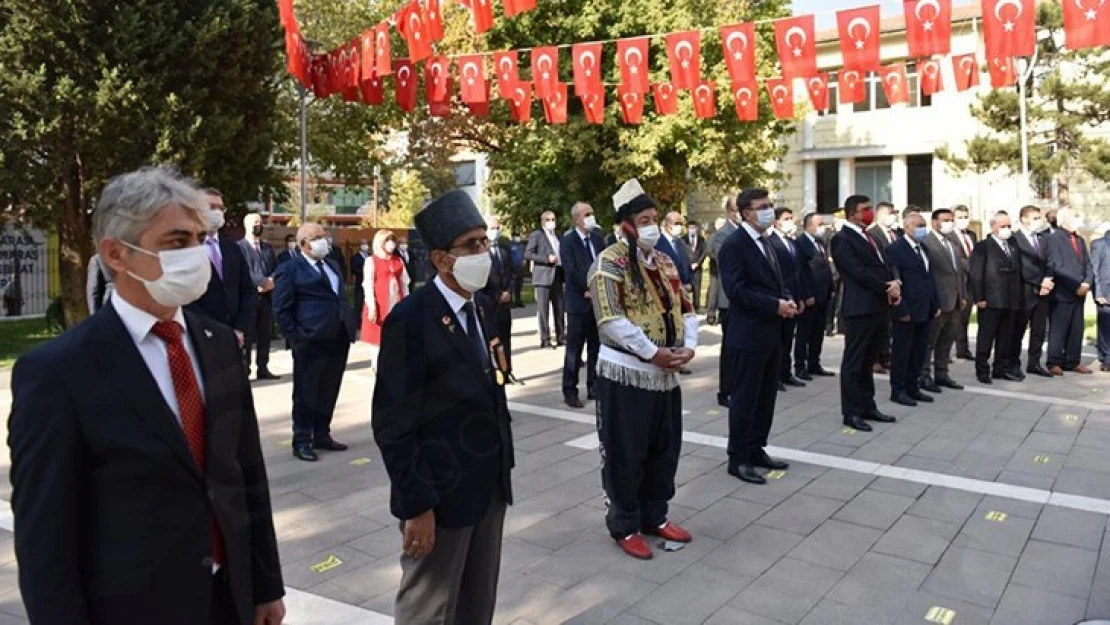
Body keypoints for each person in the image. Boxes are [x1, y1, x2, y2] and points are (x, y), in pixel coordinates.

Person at [8, 167, 285, 625]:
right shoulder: (58, 372)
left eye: (199, 239)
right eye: (176, 242)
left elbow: (245, 473)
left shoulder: (218, 344)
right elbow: (45, 540)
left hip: (228, 599)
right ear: (116, 254)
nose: (196, 254)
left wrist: (265, 586)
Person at [373, 190, 514, 625]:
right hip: (439, 494)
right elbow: (393, 424)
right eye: (470, 245)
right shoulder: (411, 319)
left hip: (488, 485)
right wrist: (416, 506)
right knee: (428, 609)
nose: (482, 253)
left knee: (476, 603)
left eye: (484, 242)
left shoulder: (481, 307)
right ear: (439, 259)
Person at [589, 178, 696, 559]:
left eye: (654, 218)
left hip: (665, 374)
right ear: (625, 225)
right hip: (627, 372)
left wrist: (688, 348)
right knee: (625, 451)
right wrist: (653, 353)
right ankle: (625, 523)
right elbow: (611, 319)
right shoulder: (609, 262)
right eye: (644, 218)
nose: (652, 225)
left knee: (664, 449)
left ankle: (655, 514)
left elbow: (686, 306)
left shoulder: (665, 260)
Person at [719, 188, 796, 485]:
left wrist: (786, 299)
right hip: (748, 333)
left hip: (771, 332)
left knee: (765, 397)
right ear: (746, 212)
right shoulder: (735, 245)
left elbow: (776, 281)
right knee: (745, 398)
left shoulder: (767, 242)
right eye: (763, 206)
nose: (769, 211)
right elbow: (736, 290)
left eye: (770, 205)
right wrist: (774, 305)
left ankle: (756, 448)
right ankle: (737, 457)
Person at [273, 223, 358, 461]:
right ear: (303, 244)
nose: (325, 240)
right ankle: (301, 439)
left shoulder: (332, 265)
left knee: (329, 389)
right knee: (306, 392)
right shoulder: (290, 269)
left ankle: (322, 433)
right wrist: (297, 337)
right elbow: (281, 309)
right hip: (310, 340)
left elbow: (338, 297)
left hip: (338, 337)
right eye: (318, 237)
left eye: (325, 236)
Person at [831, 194, 900, 432]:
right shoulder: (842, 239)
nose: (870, 212)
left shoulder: (869, 236)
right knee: (854, 361)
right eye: (866, 209)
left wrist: (894, 283)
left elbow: (883, 266)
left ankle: (867, 404)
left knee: (869, 359)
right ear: (853, 214)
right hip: (859, 307)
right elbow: (856, 272)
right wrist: (884, 286)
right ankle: (851, 412)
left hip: (877, 306)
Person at [187, 188, 255, 352]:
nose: (217, 212)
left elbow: (247, 290)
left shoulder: (232, 248)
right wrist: (217, 331)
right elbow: (185, 298)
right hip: (202, 337)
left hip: (236, 339)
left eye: (221, 208)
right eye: (211, 207)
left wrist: (241, 329)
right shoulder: (187, 248)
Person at [884, 212, 939, 406]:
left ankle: (912, 386)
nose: (922, 229)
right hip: (907, 309)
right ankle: (898, 390)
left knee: (919, 351)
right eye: (918, 225)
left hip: (925, 308)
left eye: (924, 225)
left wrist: (935, 303)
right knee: (902, 351)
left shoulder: (923, 247)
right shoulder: (895, 249)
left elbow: (929, 277)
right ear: (907, 227)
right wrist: (901, 309)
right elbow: (894, 280)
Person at [969, 211, 1023, 384]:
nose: (1007, 229)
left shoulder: (1013, 246)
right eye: (1003, 226)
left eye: (1009, 226)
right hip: (991, 299)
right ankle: (982, 369)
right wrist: (979, 297)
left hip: (1010, 298)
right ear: (993, 227)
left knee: (1005, 337)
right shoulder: (983, 246)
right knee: (986, 336)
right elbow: (976, 273)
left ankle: (1000, 368)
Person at [561, 202, 605, 408]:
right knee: (574, 350)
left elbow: (603, 264)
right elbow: (571, 270)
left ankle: (594, 386)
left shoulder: (597, 239)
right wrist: (587, 287)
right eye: (587, 214)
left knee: (595, 347)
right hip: (578, 303)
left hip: (596, 303)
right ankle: (570, 389)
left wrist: (598, 289)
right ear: (577, 219)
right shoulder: (568, 241)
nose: (591, 217)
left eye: (592, 213)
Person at [1043, 208, 1095, 375]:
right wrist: (1076, 286)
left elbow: (1087, 263)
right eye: (1075, 217)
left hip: (1080, 292)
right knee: (1058, 330)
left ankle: (1073, 361)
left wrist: (1087, 283)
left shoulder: (1079, 240)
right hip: (1063, 292)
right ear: (1064, 220)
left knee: (1076, 329)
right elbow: (1057, 266)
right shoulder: (1054, 239)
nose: (1078, 221)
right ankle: (1054, 362)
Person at [920, 208, 967, 392]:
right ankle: (924, 375)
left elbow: (959, 274)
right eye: (945, 220)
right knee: (930, 341)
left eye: (950, 220)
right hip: (938, 302)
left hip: (955, 301)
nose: (949, 223)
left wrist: (962, 296)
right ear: (934, 223)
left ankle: (942, 373)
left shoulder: (953, 244)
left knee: (947, 340)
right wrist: (933, 301)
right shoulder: (927, 243)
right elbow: (927, 275)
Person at [768, 207, 810, 389]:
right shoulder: (771, 242)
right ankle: (775, 376)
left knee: (788, 338)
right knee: (778, 340)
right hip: (780, 298)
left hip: (794, 295)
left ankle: (786, 372)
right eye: (787, 218)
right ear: (776, 222)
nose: (790, 221)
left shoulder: (792, 243)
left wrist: (800, 297)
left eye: (792, 218)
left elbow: (798, 271)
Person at [1011, 206, 1054, 377]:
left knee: (1039, 330)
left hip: (1044, 292)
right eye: (1035, 218)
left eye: (1040, 217)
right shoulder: (1015, 239)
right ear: (1024, 219)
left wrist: (1048, 279)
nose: (1039, 221)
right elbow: (1021, 266)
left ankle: (1034, 362)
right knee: (1019, 329)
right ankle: (1014, 363)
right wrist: (1039, 281)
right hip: (1025, 291)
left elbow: (1051, 261)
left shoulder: (1043, 238)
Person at [238, 213, 280, 381]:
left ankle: (263, 368)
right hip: (248, 297)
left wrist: (271, 280)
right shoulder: (239, 247)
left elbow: (276, 268)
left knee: (265, 334)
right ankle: (245, 369)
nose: (259, 225)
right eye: (256, 222)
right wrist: (261, 281)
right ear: (247, 225)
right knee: (247, 336)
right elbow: (244, 270)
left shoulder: (268, 248)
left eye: (260, 223)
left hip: (266, 298)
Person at [359, 229, 411, 367]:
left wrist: (408, 304)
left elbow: (405, 283)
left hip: (396, 303)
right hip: (380, 306)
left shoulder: (398, 260)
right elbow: (368, 285)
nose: (391, 244)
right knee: (378, 341)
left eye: (392, 240)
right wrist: (372, 307)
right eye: (387, 240)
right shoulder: (371, 261)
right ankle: (377, 368)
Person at [794, 212, 835, 378]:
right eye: (819, 224)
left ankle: (814, 362)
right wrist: (805, 294)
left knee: (818, 331)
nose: (822, 228)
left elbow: (825, 268)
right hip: (809, 295)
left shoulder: (820, 242)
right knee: (805, 332)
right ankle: (799, 365)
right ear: (808, 225)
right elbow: (800, 271)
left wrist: (830, 288)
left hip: (823, 294)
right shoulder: (800, 243)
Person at [482, 217, 521, 384]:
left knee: (506, 338)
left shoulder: (504, 248)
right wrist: (497, 294)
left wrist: (509, 291)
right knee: (493, 339)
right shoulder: (481, 250)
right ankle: (495, 371)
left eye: (498, 227)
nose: (495, 230)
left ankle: (507, 371)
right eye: (492, 227)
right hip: (490, 301)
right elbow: (482, 278)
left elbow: (513, 272)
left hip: (505, 303)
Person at [709, 197, 740, 406]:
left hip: (748, 301)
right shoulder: (722, 235)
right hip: (730, 300)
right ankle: (726, 390)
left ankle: (739, 387)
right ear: (731, 212)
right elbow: (727, 264)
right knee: (730, 348)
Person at [525, 211, 565, 348]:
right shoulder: (537, 235)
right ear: (542, 221)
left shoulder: (558, 235)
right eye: (548, 219)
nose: (551, 222)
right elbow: (528, 254)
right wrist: (546, 259)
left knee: (559, 308)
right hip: (543, 276)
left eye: (553, 219)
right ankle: (545, 338)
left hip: (558, 275)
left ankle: (561, 336)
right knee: (543, 310)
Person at [866, 201, 898, 374]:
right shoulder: (872, 234)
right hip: (880, 286)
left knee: (888, 326)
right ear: (879, 214)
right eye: (890, 212)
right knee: (877, 326)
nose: (893, 216)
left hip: (894, 284)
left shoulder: (894, 234)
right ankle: (874, 359)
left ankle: (885, 356)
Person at [952, 205, 978, 360]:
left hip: (971, 282)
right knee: (956, 318)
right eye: (960, 217)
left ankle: (963, 349)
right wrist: (972, 266)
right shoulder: (950, 236)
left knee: (965, 317)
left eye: (965, 217)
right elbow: (958, 259)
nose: (963, 220)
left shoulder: (972, 235)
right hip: (958, 281)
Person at [657, 211, 693, 285]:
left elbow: (687, 265)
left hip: (684, 289)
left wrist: (690, 283)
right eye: (676, 223)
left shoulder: (681, 243)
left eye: (681, 224)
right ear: (667, 224)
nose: (679, 226)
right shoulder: (657, 243)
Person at [1092, 223, 1110, 371]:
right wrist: (1098, 293)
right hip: (1106, 292)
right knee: (1106, 325)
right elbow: (1094, 270)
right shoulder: (1099, 244)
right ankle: (1106, 357)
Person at [705, 216, 728, 325]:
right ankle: (711, 314)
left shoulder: (726, 235)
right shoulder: (714, 236)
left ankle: (721, 315)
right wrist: (717, 259)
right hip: (715, 269)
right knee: (714, 293)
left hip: (724, 269)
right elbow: (709, 250)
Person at [686, 221, 708, 312]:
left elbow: (704, 252)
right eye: (690, 228)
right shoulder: (682, 239)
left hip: (697, 267)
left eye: (693, 227)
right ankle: (686, 307)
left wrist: (698, 263)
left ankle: (697, 307)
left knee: (697, 287)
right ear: (687, 229)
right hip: (686, 267)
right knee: (686, 287)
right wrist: (687, 264)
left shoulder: (702, 239)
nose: (692, 229)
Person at [351, 238, 370, 315]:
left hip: (370, 283)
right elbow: (353, 269)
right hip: (360, 282)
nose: (365, 246)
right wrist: (364, 272)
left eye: (366, 244)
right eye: (363, 244)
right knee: (359, 302)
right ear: (360, 246)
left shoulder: (370, 256)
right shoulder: (355, 257)